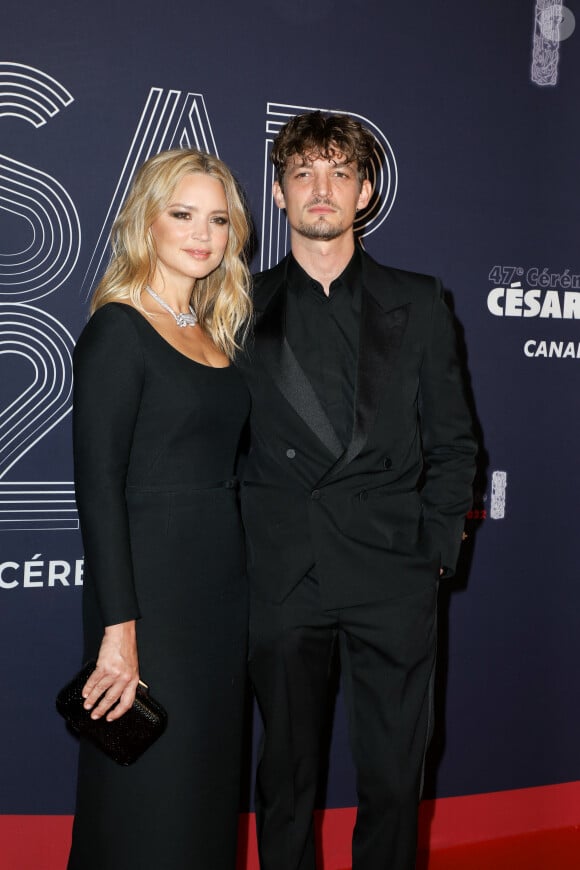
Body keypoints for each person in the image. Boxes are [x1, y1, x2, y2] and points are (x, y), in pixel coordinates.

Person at [237, 112, 477, 870]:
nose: (322, 188)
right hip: (285, 576)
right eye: (303, 173)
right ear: (278, 194)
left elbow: (455, 441)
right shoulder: (235, 303)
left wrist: (433, 555)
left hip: (392, 575)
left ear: (366, 191)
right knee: (285, 779)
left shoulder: (422, 301)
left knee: (394, 778)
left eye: (340, 172)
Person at [67, 148, 252, 870]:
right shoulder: (119, 329)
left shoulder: (212, 333)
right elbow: (98, 488)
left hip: (220, 598)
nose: (202, 234)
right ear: (147, 219)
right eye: (183, 214)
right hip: (149, 603)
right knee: (150, 792)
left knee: (206, 788)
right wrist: (119, 630)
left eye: (218, 218)